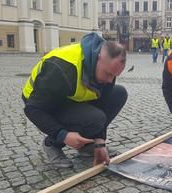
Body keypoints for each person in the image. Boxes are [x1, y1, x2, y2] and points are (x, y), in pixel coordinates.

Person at [22, 33, 127, 168]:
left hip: (68, 97)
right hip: (41, 102)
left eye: (115, 75)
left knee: (118, 94)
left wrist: (100, 142)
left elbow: (103, 104)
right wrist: (63, 135)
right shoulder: (62, 68)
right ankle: (52, 144)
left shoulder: (108, 68)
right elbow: (33, 109)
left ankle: (87, 146)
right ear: (98, 58)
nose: (110, 80)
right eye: (108, 74)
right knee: (95, 118)